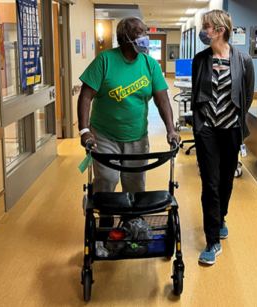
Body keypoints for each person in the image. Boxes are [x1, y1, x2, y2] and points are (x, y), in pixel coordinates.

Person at [77, 17, 180, 226]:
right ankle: (105, 222)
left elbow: (162, 99)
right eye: (140, 33)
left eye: (145, 32)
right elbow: (85, 96)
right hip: (105, 135)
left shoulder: (150, 65)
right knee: (107, 180)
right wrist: (84, 130)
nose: (146, 37)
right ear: (125, 38)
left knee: (135, 184)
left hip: (137, 136)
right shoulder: (104, 60)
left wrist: (171, 130)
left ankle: (130, 224)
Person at [191, 10, 255, 265]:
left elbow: (247, 96)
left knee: (226, 181)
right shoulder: (200, 59)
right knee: (210, 183)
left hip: (230, 129)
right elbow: (197, 94)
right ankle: (212, 240)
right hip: (206, 128)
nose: (203, 31)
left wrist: (234, 119)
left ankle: (221, 217)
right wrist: (198, 125)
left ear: (219, 30)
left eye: (206, 26)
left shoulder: (244, 60)